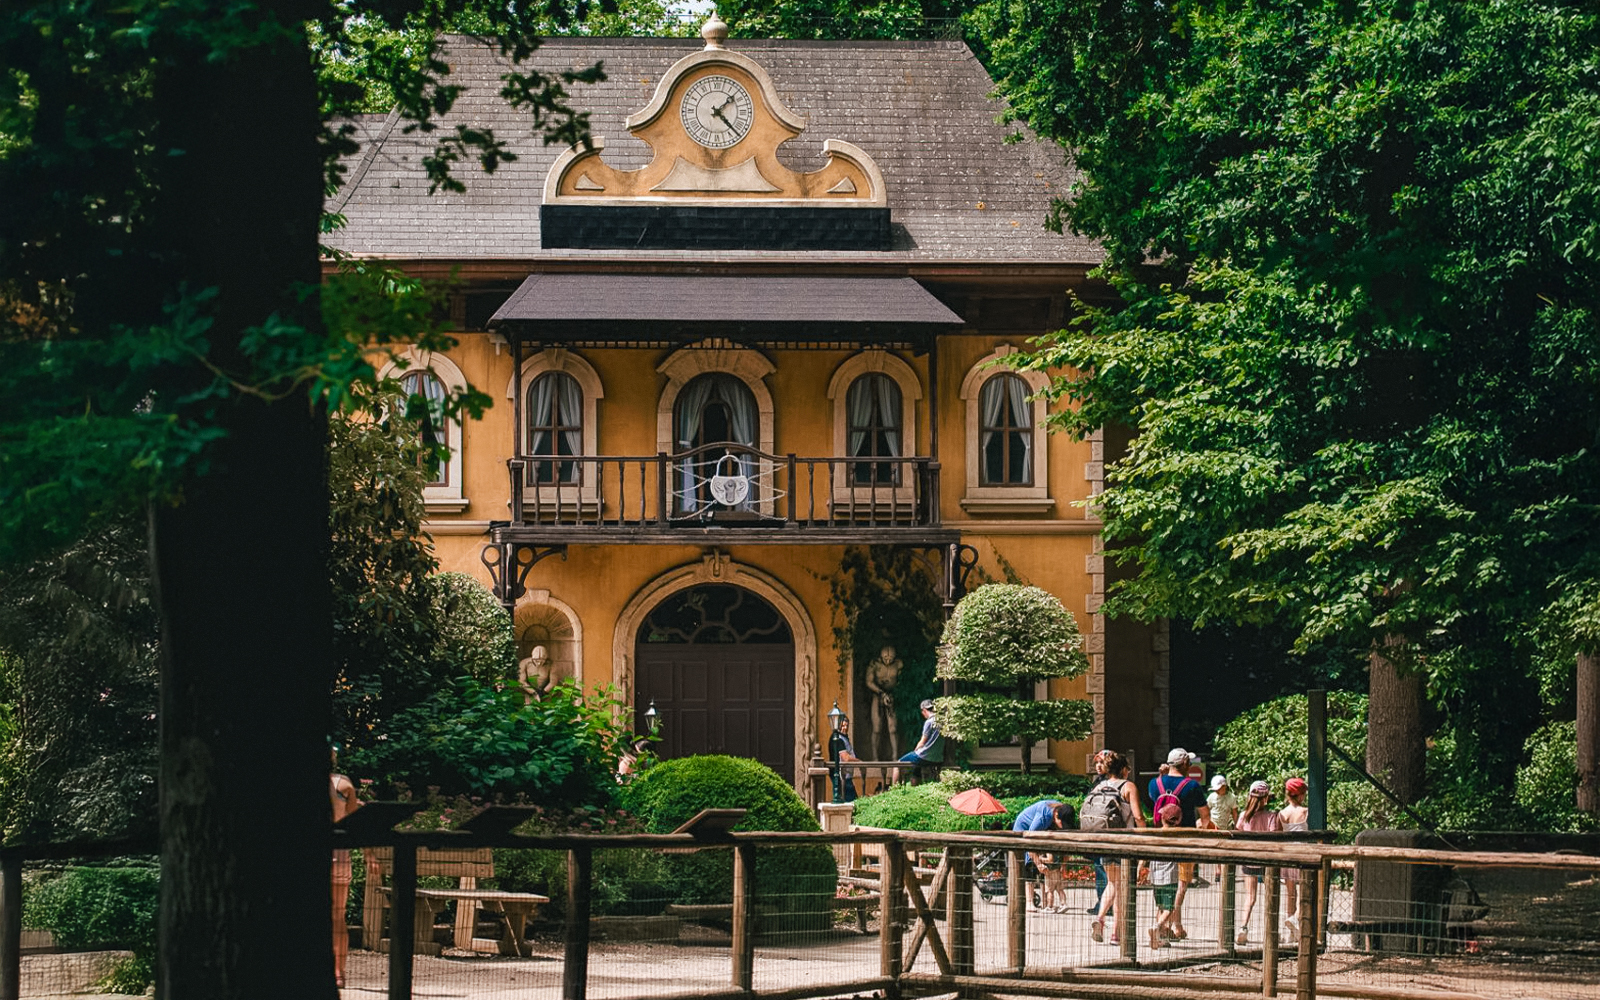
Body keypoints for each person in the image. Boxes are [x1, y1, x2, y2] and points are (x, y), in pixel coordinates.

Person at [1147, 748, 1213, 940]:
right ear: (1184, 764)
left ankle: (1168, 925)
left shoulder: (1154, 784)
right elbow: (1205, 815)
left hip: (1161, 840)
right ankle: (1169, 925)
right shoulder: (1192, 786)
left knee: (1163, 885)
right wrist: (1202, 830)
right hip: (1184, 841)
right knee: (1181, 885)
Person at [1090, 752, 1146, 945]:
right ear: (1123, 769)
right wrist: (1145, 835)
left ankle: (1100, 919)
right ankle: (1116, 934)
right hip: (1125, 843)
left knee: (1112, 884)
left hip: (1106, 841)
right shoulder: (1128, 786)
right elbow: (1138, 816)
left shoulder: (1099, 786)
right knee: (1122, 888)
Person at [1235, 779, 1282, 945]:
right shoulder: (1271, 816)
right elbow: (1275, 837)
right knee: (1271, 895)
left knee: (1250, 897)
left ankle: (1243, 927)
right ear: (1266, 798)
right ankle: (1272, 931)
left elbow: (1238, 832)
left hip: (1248, 860)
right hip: (1266, 861)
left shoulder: (1243, 816)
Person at [330, 748, 362, 989]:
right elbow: (355, 824)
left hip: (313, 854)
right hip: (340, 855)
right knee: (338, 916)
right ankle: (339, 973)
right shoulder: (344, 784)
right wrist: (370, 854)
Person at [1013, 799, 1076, 911]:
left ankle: (1046, 903)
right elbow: (1029, 839)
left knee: (1044, 870)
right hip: (1024, 832)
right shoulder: (1042, 817)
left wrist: (1064, 863)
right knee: (1030, 867)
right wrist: (1037, 862)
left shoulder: (1062, 811)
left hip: (1040, 835)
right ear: (1056, 815)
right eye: (1062, 823)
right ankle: (1029, 902)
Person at [1139, 800, 1183, 949]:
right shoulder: (1177, 836)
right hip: (1169, 876)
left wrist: (1141, 865)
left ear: (1163, 818)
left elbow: (1146, 852)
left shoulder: (1156, 834)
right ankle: (1157, 927)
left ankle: (1161, 937)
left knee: (1160, 906)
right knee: (1169, 908)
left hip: (1156, 876)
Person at [1279, 776, 1310, 939]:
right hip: (1302, 852)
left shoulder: (1282, 813)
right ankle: (1295, 918)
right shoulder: (1305, 812)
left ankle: (1291, 932)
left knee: (1290, 892)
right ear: (1299, 795)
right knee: (1304, 889)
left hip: (1287, 853)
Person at [1085, 749, 1115, 914]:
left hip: (1106, 831)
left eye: (1101, 763)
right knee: (1100, 868)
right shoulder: (1098, 781)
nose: (1098, 766)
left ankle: (1106, 904)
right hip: (1097, 830)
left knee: (1104, 869)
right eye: (1096, 763)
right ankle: (1102, 902)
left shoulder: (1110, 783)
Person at [864, 646, 903, 758]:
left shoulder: (898, 664)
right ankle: (875, 756)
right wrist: (881, 693)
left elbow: (902, 681)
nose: (888, 660)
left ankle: (895, 755)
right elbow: (869, 681)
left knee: (893, 727)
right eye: (886, 658)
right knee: (876, 728)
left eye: (890, 658)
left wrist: (894, 692)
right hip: (878, 695)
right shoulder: (875, 664)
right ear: (881, 657)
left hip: (892, 695)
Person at [897, 698, 944, 784]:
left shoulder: (929, 722)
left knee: (898, 764)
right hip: (938, 758)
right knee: (916, 767)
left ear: (924, 710)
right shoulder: (942, 721)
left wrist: (916, 750)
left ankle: (894, 789)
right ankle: (915, 787)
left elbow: (922, 741)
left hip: (924, 756)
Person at [1206, 773, 1240, 883]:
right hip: (1213, 824)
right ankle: (1218, 870)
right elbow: (1207, 810)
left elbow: (1234, 812)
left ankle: (1225, 870)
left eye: (1218, 789)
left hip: (1225, 825)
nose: (1216, 791)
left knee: (1224, 848)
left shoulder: (1231, 798)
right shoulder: (1211, 797)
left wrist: (1236, 825)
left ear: (1224, 787)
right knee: (1217, 848)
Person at [828, 715, 861, 801]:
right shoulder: (838, 738)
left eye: (847, 726)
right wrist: (859, 761)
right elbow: (845, 757)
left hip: (846, 776)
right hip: (842, 776)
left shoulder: (843, 738)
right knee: (851, 801)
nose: (845, 728)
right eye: (843, 726)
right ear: (838, 725)